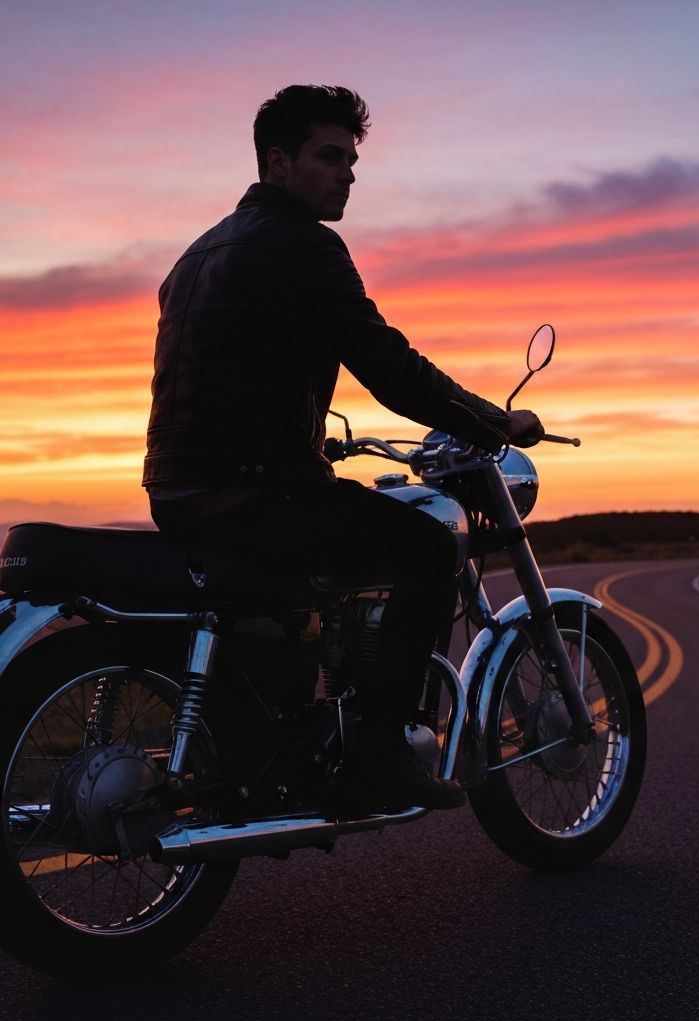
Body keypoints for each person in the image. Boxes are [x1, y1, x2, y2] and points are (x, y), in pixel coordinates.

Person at [144, 84, 543, 811]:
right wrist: (491, 421)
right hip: (255, 491)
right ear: (277, 161)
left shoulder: (196, 254)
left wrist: (310, 433)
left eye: (353, 160)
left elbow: (223, 367)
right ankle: (379, 753)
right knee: (427, 547)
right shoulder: (303, 243)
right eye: (330, 156)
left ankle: (285, 743)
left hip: (180, 490)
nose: (348, 173)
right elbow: (384, 360)